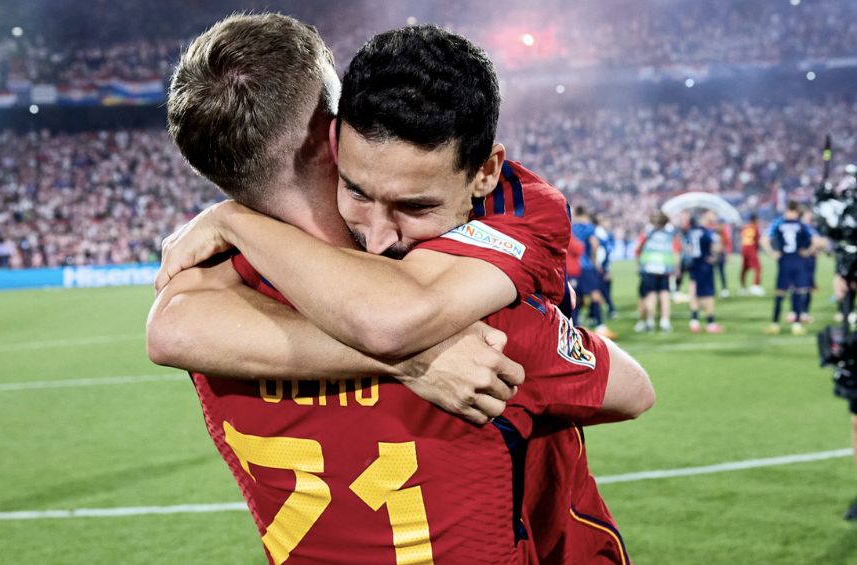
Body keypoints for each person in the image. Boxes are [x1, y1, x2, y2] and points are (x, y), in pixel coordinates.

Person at [151, 17, 652, 563]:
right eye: (360, 191)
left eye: (414, 207)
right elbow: (631, 390)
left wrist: (235, 220)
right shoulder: (487, 330)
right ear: (335, 135)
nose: (383, 235)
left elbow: (169, 330)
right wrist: (415, 359)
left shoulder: (221, 312)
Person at [762, 201, 814, 335]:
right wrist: (808, 252)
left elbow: (763, 240)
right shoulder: (801, 225)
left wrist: (771, 253)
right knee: (797, 293)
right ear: (796, 211)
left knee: (780, 294)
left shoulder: (778, 223)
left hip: (784, 262)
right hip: (798, 262)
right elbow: (817, 241)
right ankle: (796, 325)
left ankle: (774, 324)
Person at [571, 207, 617, 338]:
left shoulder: (571, 227)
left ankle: (575, 324)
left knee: (576, 296)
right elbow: (595, 244)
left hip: (572, 267)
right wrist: (594, 260)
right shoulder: (588, 227)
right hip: (586, 266)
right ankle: (599, 325)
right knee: (595, 294)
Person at [634, 211, 679, 333]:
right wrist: (676, 267)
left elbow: (637, 249)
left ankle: (649, 321)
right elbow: (675, 252)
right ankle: (665, 321)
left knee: (650, 295)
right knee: (665, 294)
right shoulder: (671, 234)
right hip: (665, 268)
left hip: (648, 267)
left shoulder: (648, 233)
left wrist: (639, 263)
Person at [685, 212, 724, 333]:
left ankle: (694, 321)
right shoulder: (707, 232)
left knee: (693, 292)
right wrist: (715, 256)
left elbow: (686, 247)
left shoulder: (690, 231)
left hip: (693, 265)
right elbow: (717, 246)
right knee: (708, 295)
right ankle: (710, 323)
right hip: (705, 266)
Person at [739, 213, 764, 296]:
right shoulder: (755, 228)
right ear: (755, 220)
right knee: (758, 268)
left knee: (744, 269)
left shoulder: (745, 227)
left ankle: (742, 288)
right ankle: (755, 286)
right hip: (751, 249)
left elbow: (742, 237)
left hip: (744, 249)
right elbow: (757, 240)